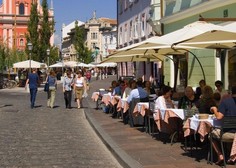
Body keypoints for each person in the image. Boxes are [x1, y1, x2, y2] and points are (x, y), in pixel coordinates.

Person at [210, 85, 236, 165]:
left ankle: (220, 155)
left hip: (228, 133)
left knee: (210, 135)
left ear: (231, 93)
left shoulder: (225, 102)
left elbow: (219, 117)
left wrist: (214, 109)